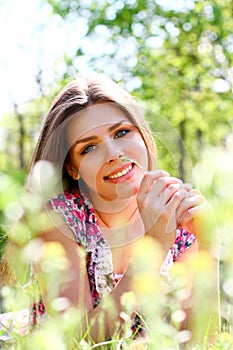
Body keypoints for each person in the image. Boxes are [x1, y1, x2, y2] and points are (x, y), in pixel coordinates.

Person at [1, 74, 220, 346]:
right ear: (73, 168)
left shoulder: (177, 214)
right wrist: (153, 246)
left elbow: (202, 341)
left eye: (121, 132)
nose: (114, 153)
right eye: (89, 147)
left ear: (143, 134)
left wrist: (209, 245)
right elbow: (73, 340)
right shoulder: (61, 220)